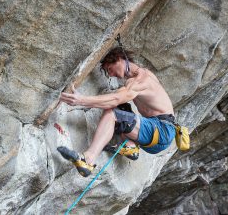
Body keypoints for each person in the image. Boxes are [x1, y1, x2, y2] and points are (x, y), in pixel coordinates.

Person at [57, 47, 176, 177]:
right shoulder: (142, 75)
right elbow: (119, 98)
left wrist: (82, 100)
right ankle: (130, 146)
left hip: (162, 131)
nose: (111, 75)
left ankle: (88, 159)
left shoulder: (141, 80)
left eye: (110, 69)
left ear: (119, 59)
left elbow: (115, 99)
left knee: (113, 112)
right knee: (122, 108)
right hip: (157, 134)